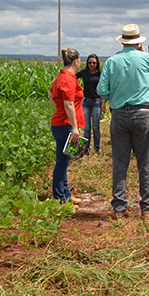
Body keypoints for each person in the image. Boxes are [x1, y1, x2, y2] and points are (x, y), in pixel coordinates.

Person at [96, 24, 149, 220]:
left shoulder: (112, 61)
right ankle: (147, 208)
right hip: (142, 113)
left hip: (119, 114)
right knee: (145, 162)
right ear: (139, 41)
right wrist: (144, 52)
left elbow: (102, 91)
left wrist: (118, 94)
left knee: (120, 163)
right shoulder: (144, 57)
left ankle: (119, 208)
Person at [48, 48, 85, 206]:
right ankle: (59, 198)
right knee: (62, 163)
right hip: (66, 126)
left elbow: (50, 95)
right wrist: (75, 128)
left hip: (62, 123)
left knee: (65, 161)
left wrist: (58, 110)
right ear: (76, 61)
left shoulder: (62, 76)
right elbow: (69, 104)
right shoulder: (68, 79)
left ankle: (66, 194)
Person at [76, 54, 103, 155]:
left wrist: (104, 101)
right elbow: (73, 78)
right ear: (87, 63)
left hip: (97, 101)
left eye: (94, 63)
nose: (92, 64)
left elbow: (106, 84)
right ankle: (85, 151)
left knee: (96, 127)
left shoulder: (100, 73)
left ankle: (96, 149)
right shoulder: (84, 73)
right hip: (86, 102)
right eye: (90, 62)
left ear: (97, 63)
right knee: (86, 128)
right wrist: (78, 91)